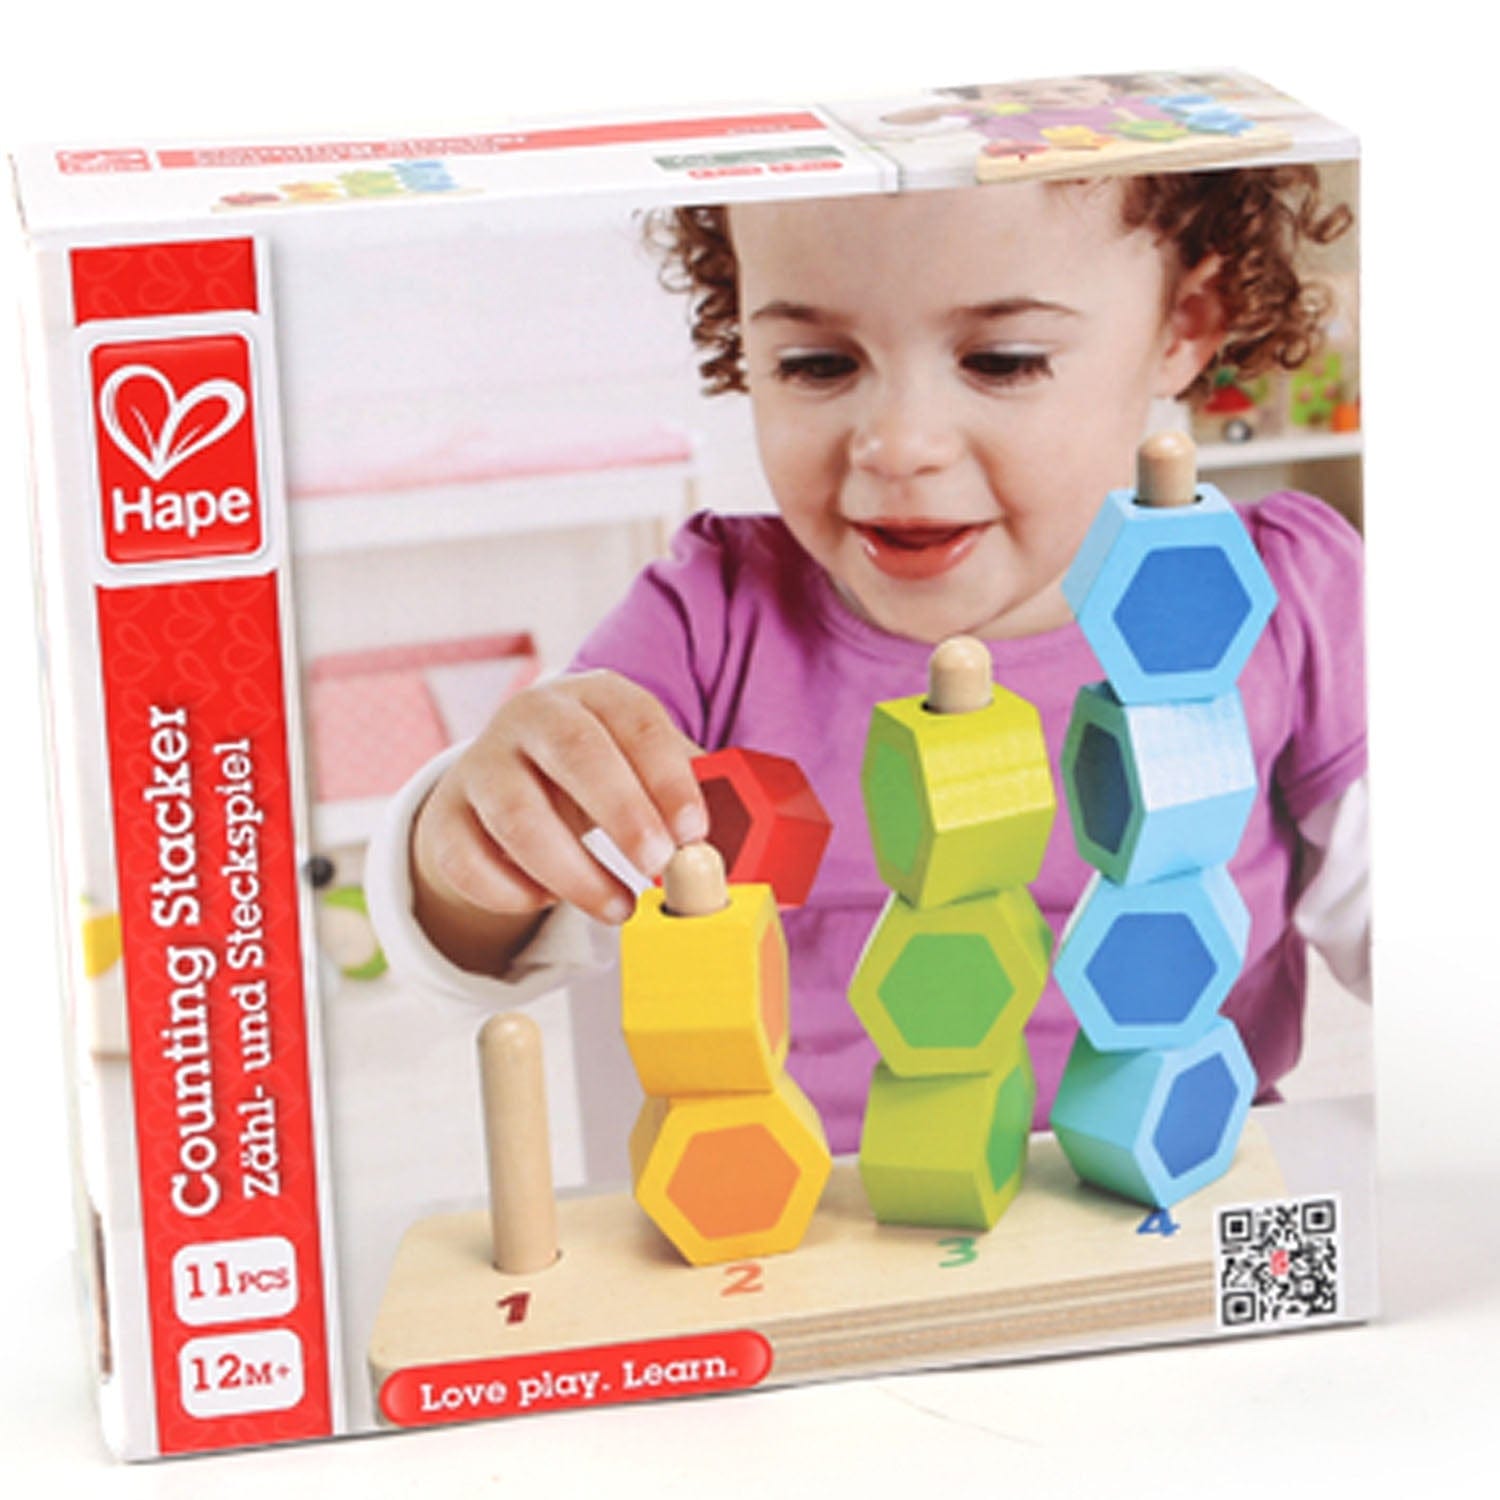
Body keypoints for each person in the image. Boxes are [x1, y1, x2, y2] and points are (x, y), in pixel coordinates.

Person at [372, 166, 1368, 1155]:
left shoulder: (1290, 602)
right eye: (816, 364)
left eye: (1004, 360)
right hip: (807, 1225)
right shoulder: (705, 628)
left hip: (1190, 1208)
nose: (898, 445)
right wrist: (468, 846)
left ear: (1185, 325)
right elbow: (491, 937)